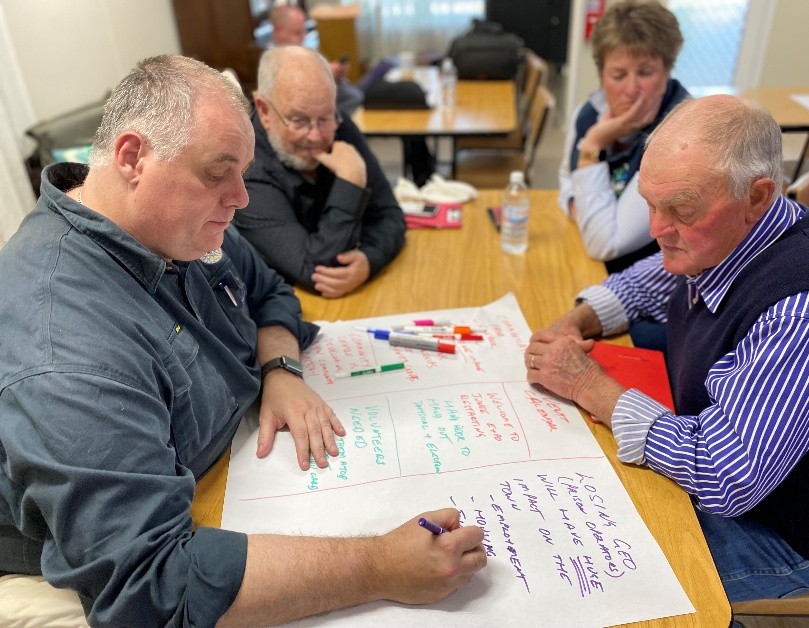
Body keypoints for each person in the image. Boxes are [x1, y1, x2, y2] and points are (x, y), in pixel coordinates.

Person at [0, 54, 486, 626]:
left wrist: (280, 368)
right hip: (93, 569)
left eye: (244, 171)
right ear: (133, 157)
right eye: (218, 172)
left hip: (224, 473)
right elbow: (154, 588)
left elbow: (271, 291)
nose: (243, 197)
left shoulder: (174, 224)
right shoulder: (68, 347)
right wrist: (377, 567)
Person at [529, 94, 809, 604]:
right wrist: (577, 319)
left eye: (680, 209)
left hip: (788, 530)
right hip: (728, 452)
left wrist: (589, 385)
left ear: (758, 198)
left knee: (590, 579)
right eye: (650, 203)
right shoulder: (734, 231)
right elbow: (655, 275)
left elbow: (726, 473)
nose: (656, 230)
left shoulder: (803, 310)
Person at [234, 46, 406, 299]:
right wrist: (350, 185)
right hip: (289, 308)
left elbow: (390, 215)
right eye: (299, 121)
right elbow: (319, 272)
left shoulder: (339, 125)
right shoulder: (247, 170)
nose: (316, 136)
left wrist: (369, 259)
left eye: (325, 119)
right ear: (264, 110)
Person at [558, 0, 689, 274]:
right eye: (618, 75)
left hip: (645, 284)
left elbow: (605, 243)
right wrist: (586, 216)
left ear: (667, 72)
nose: (631, 89)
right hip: (585, 260)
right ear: (601, 75)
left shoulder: (680, 138)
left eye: (645, 73)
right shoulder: (590, 111)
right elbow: (565, 181)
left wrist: (592, 146)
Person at [270, 4, 437, 185]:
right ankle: (424, 175)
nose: (303, 37)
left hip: (353, 97)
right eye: (297, 33)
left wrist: (335, 74)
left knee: (407, 102)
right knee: (399, 86)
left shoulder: (300, 54)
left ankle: (424, 174)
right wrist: (327, 76)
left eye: (304, 31)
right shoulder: (275, 64)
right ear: (278, 32)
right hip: (353, 106)